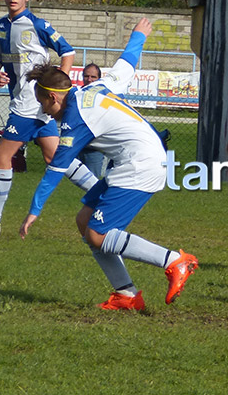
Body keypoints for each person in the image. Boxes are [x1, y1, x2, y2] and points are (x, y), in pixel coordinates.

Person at [19, 18, 198, 311]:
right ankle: (126, 294)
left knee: (98, 234)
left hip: (142, 165)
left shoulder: (76, 121)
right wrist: (138, 35)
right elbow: (126, 63)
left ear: (53, 98)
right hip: (136, 159)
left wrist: (34, 211)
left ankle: (175, 261)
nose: (43, 111)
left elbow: (54, 171)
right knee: (84, 221)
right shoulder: (97, 86)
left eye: (43, 104)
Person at [0, 0, 96, 238]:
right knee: (55, 156)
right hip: (27, 103)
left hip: (29, 105)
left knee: (1, 156)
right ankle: (101, 193)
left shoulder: (37, 24)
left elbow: (67, 51)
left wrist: (58, 86)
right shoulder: (0, 27)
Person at [77, 63, 106, 177]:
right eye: (86, 76)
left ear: (99, 78)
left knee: (93, 182)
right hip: (77, 146)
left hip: (95, 148)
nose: (89, 80)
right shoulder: (76, 95)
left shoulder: (106, 97)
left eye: (93, 77)